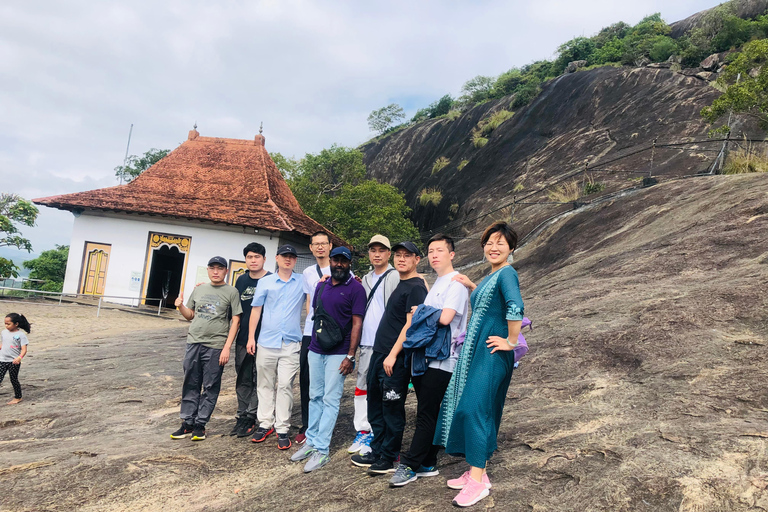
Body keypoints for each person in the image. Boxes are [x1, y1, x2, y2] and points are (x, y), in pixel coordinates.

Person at [434, 222, 524, 508]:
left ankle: (478, 482)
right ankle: (478, 471)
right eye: (489, 242)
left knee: (475, 408)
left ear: (511, 248)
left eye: (500, 243)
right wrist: (473, 285)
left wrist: (510, 341)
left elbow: (515, 306)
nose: (493, 247)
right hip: (479, 351)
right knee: (471, 406)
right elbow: (490, 303)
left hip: (493, 353)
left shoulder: (507, 273)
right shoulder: (493, 274)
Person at [389, 234, 468, 487]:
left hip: (443, 358)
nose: (435, 255)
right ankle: (427, 461)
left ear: (451, 254)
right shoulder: (436, 283)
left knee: (425, 412)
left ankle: (410, 464)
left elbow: (445, 318)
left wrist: (418, 311)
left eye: (440, 251)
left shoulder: (455, 283)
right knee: (429, 411)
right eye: (431, 251)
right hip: (427, 356)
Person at [351, 241, 427, 475]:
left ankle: (389, 455)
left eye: (407, 256)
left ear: (417, 259)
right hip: (379, 353)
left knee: (392, 407)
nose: (401, 259)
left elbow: (410, 324)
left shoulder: (415, 287)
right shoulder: (401, 284)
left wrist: (394, 354)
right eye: (398, 255)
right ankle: (378, 448)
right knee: (375, 405)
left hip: (395, 358)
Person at [290, 246, 366, 472]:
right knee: (314, 396)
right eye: (336, 260)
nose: (339, 264)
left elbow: (357, 323)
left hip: (339, 353)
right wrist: (313, 346)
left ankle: (322, 450)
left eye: (344, 261)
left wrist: (350, 356)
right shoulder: (320, 286)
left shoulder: (356, 289)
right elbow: (317, 317)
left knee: (330, 400)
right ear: (330, 262)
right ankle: (311, 441)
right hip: (316, 349)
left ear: (349, 264)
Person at [171, 257, 242, 441]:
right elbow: (190, 315)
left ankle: (200, 424)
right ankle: (187, 422)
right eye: (212, 268)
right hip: (194, 342)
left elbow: (236, 320)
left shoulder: (232, 292)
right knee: (190, 383)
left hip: (216, 345)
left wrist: (227, 347)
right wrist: (180, 306)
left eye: (220, 268)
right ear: (208, 270)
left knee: (210, 385)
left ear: (226, 271)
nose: (216, 271)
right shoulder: (199, 289)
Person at [247, 244, 305, 450]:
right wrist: (251, 337)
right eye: (284, 256)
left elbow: (319, 289)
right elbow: (256, 310)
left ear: (295, 260)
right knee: (264, 383)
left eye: (291, 256)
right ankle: (265, 423)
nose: (287, 260)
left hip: (290, 343)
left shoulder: (302, 281)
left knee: (285, 385)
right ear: (277, 258)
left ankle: (282, 427)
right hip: (266, 341)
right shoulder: (266, 282)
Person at [348, 235, 399, 457]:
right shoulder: (365, 279)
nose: (377, 254)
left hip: (386, 344)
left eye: (382, 250)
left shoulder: (397, 276)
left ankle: (380, 433)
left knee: (384, 390)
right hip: (367, 342)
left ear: (389, 253)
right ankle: (363, 429)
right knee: (362, 386)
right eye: (373, 250)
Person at [229, 242, 271, 438]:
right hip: (243, 338)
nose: (253, 261)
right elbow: (236, 312)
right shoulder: (241, 281)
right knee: (243, 378)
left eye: (257, 257)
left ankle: (252, 416)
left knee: (260, 379)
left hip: (265, 340)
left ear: (264, 259)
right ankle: (242, 414)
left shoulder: (272, 280)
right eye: (249, 257)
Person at [297, 231, 332, 444]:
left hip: (331, 331)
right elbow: (309, 300)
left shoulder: (340, 268)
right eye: (316, 244)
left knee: (327, 382)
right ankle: (307, 423)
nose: (320, 247)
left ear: (330, 246)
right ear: (311, 248)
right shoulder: (308, 272)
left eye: (323, 244)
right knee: (306, 379)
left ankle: (324, 425)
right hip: (310, 332)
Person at [0, 313, 31, 405]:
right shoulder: (3, 332)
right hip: (2, 359)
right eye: (5, 323)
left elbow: (24, 349)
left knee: (13, 379)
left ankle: (18, 397)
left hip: (14, 361)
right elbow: (4, 344)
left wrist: (19, 358)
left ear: (16, 324)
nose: (6, 326)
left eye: (8, 324)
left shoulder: (21, 335)